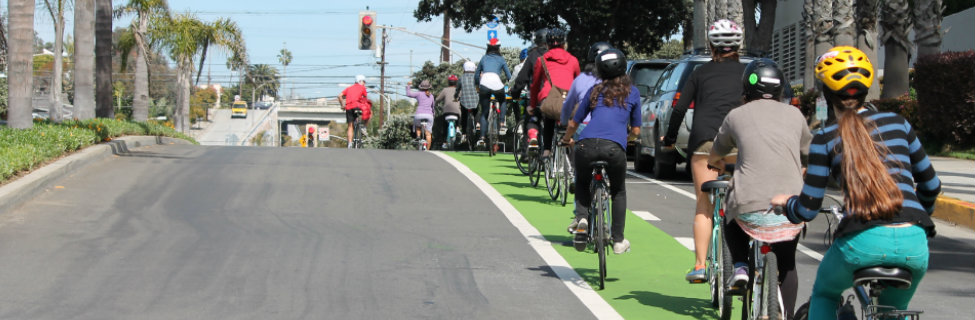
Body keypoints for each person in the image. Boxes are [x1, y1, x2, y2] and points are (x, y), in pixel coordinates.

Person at [770, 46, 941, 320]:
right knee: (894, 311)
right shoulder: (899, 124)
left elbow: (808, 209)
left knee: (825, 293)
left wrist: (785, 204)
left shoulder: (825, 138)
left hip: (862, 243)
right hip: (914, 244)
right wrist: (918, 216)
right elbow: (931, 185)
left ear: (827, 93)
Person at [709, 58, 810, 319]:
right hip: (791, 208)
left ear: (746, 88)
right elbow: (807, 155)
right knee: (787, 263)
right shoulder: (796, 115)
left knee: (731, 208)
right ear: (781, 89)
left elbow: (715, 153)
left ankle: (741, 265)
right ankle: (786, 314)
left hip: (750, 207)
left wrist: (718, 164)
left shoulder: (736, 115)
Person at [660, 19, 746, 282]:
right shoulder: (749, 73)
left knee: (703, 205)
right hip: (739, 142)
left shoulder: (699, 73)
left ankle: (699, 266)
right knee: (742, 205)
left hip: (704, 144)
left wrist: (670, 139)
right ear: (738, 45)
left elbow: (679, 108)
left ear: (710, 45)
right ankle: (743, 264)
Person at [563, 48, 641, 254]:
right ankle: (618, 240)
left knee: (581, 181)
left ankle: (581, 219)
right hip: (614, 149)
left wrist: (566, 138)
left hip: (586, 144)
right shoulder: (632, 92)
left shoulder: (594, 91)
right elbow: (635, 130)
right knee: (618, 191)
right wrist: (628, 139)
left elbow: (574, 122)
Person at [563, 41, 613, 233]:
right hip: (609, 132)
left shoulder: (582, 80)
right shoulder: (620, 83)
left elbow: (569, 107)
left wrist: (563, 125)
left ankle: (579, 215)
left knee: (581, 169)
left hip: (582, 129)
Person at [529, 28, 580, 157]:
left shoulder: (542, 60)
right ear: (564, 44)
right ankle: (570, 147)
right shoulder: (573, 60)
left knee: (549, 116)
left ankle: (547, 150)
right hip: (569, 99)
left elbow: (535, 85)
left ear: (547, 44)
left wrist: (532, 105)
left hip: (549, 97)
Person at [475, 38, 512, 145]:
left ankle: (482, 138)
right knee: (503, 100)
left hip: (484, 84)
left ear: (488, 47)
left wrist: (478, 86)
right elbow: (509, 76)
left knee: (484, 113)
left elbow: (477, 75)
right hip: (496, 83)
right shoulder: (501, 59)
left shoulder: (484, 58)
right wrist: (511, 86)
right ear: (498, 48)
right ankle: (501, 124)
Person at [338, 75, 370, 148]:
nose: (364, 83)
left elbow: (339, 96)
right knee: (369, 112)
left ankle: (349, 143)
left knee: (350, 126)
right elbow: (365, 99)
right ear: (360, 81)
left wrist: (343, 105)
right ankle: (364, 127)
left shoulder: (349, 88)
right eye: (364, 81)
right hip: (357, 106)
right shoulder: (362, 88)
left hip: (348, 107)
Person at [407, 80, 435, 149]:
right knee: (428, 134)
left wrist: (408, 86)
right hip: (429, 116)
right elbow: (433, 107)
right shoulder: (431, 96)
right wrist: (433, 115)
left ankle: (418, 136)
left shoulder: (418, 94)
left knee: (417, 125)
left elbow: (409, 94)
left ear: (421, 87)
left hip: (419, 115)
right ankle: (428, 150)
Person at [436, 74, 462, 146]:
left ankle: (444, 142)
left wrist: (436, 104)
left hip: (447, 112)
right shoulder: (459, 90)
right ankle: (457, 128)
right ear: (456, 82)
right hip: (457, 112)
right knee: (460, 118)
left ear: (448, 82)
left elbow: (437, 99)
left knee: (444, 126)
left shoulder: (445, 90)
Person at [455, 61, 479, 140]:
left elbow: (457, 89)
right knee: (476, 111)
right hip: (475, 100)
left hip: (464, 101)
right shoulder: (476, 77)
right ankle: (478, 123)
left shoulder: (461, 78)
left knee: (464, 115)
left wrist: (455, 97)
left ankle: (464, 133)